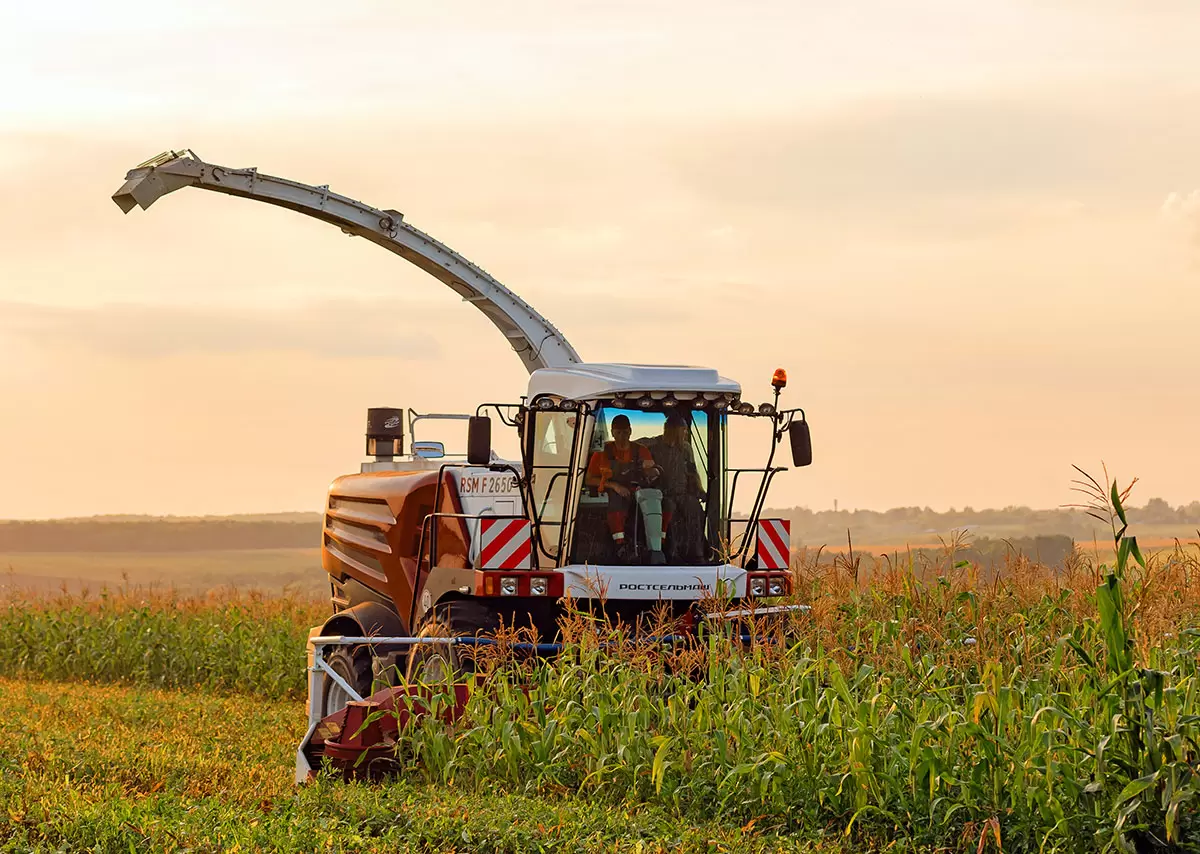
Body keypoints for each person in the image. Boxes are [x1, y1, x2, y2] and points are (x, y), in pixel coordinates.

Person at [585, 414, 666, 564]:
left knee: (665, 503)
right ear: (612, 432)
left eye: (625, 432)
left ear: (630, 431)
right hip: (612, 493)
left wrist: (652, 471)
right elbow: (589, 479)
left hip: (638, 491)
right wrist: (615, 486)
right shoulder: (601, 453)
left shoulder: (641, 450)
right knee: (616, 503)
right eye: (618, 432)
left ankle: (658, 546)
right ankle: (620, 546)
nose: (622, 436)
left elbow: (651, 470)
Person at [647, 412, 706, 563]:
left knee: (695, 509)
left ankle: (697, 553)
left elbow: (692, 472)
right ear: (671, 430)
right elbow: (634, 448)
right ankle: (671, 552)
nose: (685, 433)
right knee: (670, 510)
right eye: (683, 430)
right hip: (661, 495)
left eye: (686, 430)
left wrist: (700, 490)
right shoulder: (653, 445)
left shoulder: (686, 448)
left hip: (683, 493)